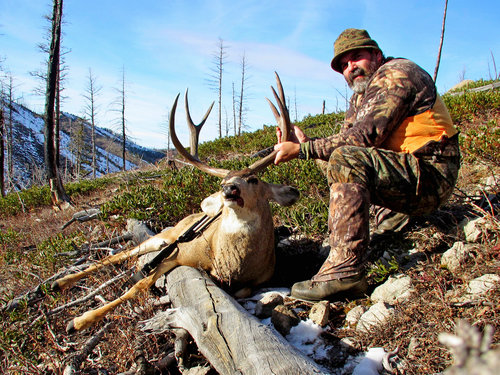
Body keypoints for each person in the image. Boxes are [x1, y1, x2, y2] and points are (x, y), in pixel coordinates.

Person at [273, 28, 460, 301]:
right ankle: (393, 216)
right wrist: (308, 144)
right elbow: (343, 151)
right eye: (344, 65)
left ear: (376, 54)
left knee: (347, 159)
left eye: (356, 57)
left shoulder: (396, 74)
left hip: (432, 174)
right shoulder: (361, 96)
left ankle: (345, 271)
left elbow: (362, 139)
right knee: (340, 160)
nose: (351, 68)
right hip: (408, 174)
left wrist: (302, 150)